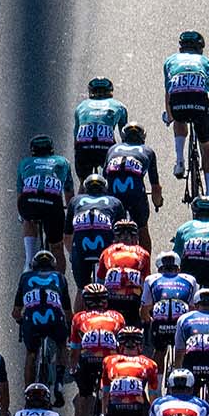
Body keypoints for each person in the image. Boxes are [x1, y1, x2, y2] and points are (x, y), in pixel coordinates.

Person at [163, 30, 209, 190]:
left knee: (178, 119)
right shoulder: (206, 62)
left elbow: (169, 94)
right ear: (200, 48)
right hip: (199, 106)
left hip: (178, 104)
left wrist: (169, 116)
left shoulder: (170, 61)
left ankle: (179, 161)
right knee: (208, 146)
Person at [12, 250, 72, 404]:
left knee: (31, 353)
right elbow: (68, 312)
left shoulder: (25, 277)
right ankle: (59, 383)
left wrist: (20, 321)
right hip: (55, 319)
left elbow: (16, 312)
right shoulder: (60, 278)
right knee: (61, 345)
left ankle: (28, 390)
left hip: (33, 321)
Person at [69, 283, 126, 416]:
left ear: (85, 302)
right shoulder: (117, 317)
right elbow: (122, 347)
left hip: (88, 362)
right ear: (105, 302)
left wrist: (73, 368)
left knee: (83, 396)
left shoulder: (79, 318)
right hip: (111, 363)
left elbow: (75, 349)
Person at [17, 134, 75, 271]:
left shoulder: (24, 163)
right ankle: (60, 282)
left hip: (29, 201)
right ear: (52, 150)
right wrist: (70, 214)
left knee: (27, 218)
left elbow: (20, 194)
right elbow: (69, 192)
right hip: (52, 204)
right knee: (57, 247)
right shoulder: (63, 162)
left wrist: (22, 215)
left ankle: (29, 261)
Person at [104, 122, 164, 250]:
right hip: (135, 195)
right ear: (143, 137)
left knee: (111, 229)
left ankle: (108, 257)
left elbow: (104, 179)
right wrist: (157, 202)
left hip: (114, 196)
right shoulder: (148, 151)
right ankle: (145, 266)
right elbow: (155, 186)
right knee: (142, 228)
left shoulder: (112, 149)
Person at [67, 173, 128, 291]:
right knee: (108, 290)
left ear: (85, 188)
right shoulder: (115, 201)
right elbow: (122, 235)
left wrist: (72, 254)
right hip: (105, 251)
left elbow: (67, 235)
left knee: (82, 290)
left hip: (81, 251)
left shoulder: (75, 201)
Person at [141, 251, 199, 366]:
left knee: (159, 352)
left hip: (160, 325)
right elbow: (193, 309)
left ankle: (158, 382)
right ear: (178, 268)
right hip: (181, 324)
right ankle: (179, 374)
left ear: (159, 269)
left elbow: (144, 309)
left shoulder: (151, 279)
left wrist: (149, 322)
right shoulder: (190, 279)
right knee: (181, 353)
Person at [97, 220, 152, 324]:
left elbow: (100, 282)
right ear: (135, 238)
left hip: (111, 300)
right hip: (133, 300)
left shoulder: (106, 252)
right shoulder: (144, 253)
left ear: (115, 238)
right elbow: (146, 283)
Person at [73, 76, 129, 180]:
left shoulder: (81, 106)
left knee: (84, 182)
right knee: (111, 179)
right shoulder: (119, 106)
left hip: (84, 148)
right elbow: (125, 137)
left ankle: (82, 192)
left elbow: (76, 137)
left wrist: (78, 155)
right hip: (105, 147)